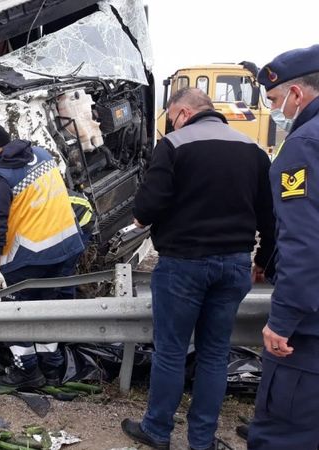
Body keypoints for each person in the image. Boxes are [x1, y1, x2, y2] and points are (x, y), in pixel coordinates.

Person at [120, 88, 275, 450]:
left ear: (184, 113)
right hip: (234, 265)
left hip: (184, 265)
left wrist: (142, 218)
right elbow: (270, 217)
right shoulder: (252, 149)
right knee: (215, 354)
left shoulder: (174, 145)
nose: (171, 124)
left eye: (172, 117)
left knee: (172, 352)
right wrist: (263, 260)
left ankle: (157, 431)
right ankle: (202, 440)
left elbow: (147, 208)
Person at [0, 121, 85, 388]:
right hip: (67, 246)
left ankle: (27, 371)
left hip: (32, 255)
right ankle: (53, 370)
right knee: (47, 309)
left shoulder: (0, 177)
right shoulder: (44, 155)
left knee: (14, 312)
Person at [247, 45, 319, 450]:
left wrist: (282, 320)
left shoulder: (304, 146)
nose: (274, 109)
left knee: (283, 434)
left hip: (309, 330)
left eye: (274, 100)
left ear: (296, 94)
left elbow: (305, 242)